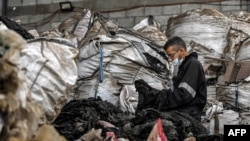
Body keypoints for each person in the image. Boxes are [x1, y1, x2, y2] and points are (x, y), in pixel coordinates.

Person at [135, 36, 207, 122]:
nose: (169, 59)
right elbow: (176, 92)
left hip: (189, 114)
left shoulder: (193, 64)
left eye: (171, 55)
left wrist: (161, 97)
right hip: (184, 110)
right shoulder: (184, 66)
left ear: (182, 51)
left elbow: (185, 95)